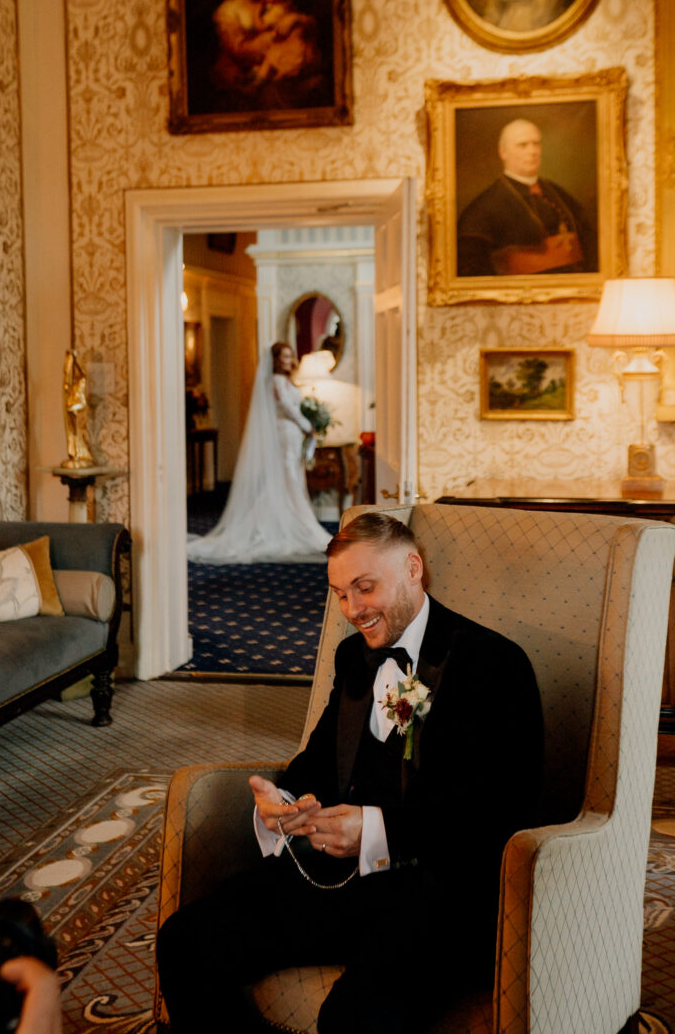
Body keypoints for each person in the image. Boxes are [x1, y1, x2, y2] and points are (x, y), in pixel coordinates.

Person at [161, 512, 544, 1033]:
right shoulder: (354, 658)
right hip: (345, 884)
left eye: (365, 588)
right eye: (340, 594)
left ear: (413, 569)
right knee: (186, 939)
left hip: (443, 896)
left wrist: (375, 830)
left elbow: (497, 812)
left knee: (354, 1017)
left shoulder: (492, 663)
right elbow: (322, 758)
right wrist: (286, 798)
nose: (352, 610)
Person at [186, 341, 330, 564]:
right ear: (275, 360)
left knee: (289, 478)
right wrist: (305, 424)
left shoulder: (285, 380)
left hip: (292, 433)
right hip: (286, 433)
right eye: (283, 356)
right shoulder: (276, 380)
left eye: (290, 355)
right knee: (288, 478)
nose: (288, 360)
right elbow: (285, 406)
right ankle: (295, 527)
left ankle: (293, 522)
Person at [457, 117, 597, 277]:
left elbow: (590, 240)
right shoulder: (482, 209)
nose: (532, 151)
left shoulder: (557, 192)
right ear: (503, 152)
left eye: (536, 144)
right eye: (522, 145)